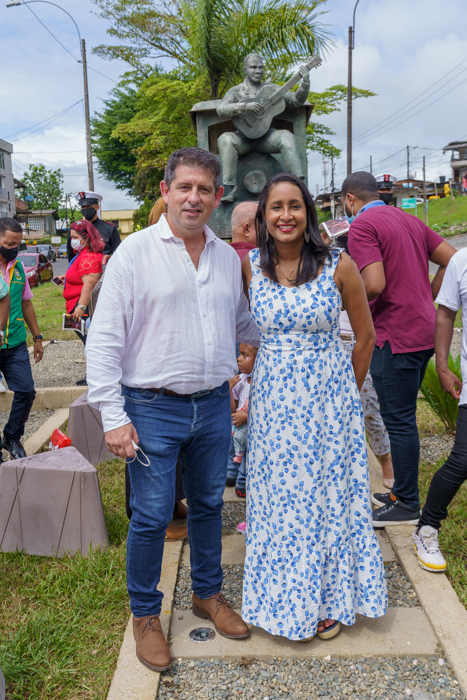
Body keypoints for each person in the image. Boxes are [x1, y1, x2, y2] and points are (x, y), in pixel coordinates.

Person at [85, 147, 260, 672]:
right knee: (152, 515)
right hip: (150, 406)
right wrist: (112, 416)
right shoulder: (135, 253)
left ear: (218, 198)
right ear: (165, 191)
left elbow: (244, 327)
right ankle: (145, 615)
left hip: (211, 406)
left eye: (204, 189)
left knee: (209, 505)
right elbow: (104, 339)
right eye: (184, 187)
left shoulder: (228, 258)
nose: (193, 198)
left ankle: (207, 593)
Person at [241, 174, 387, 642]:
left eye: (295, 206)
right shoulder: (250, 266)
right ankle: (279, 596)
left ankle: (328, 600)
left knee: (327, 500)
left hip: (329, 408)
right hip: (274, 407)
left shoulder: (338, 265)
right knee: (280, 501)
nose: (286, 216)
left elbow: (365, 338)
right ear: (263, 216)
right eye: (276, 207)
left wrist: (345, 395)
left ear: (309, 212)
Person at [342, 172, 457, 526]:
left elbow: (373, 284)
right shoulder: (408, 219)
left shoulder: (361, 226)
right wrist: (431, 293)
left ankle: (407, 503)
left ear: (349, 199)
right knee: (403, 416)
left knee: (400, 421)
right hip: (423, 330)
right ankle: (401, 491)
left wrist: (343, 302)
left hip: (394, 334)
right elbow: (452, 258)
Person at [127, 194, 188, 542]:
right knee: (148, 459)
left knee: (173, 459)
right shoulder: (139, 258)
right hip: (147, 385)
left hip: (175, 380)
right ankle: (158, 519)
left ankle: (174, 507)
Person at [320, 227, 394, 489]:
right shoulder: (320, 268)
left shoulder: (353, 272)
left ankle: (386, 460)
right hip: (326, 348)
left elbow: (366, 332)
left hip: (352, 345)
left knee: (369, 408)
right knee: (326, 415)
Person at [413, 248, 467, 572]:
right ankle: (427, 528)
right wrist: (443, 365)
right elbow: (445, 313)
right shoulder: (461, 260)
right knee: (462, 460)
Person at [216, 53, 310, 202]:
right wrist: (244, 106)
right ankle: (230, 190)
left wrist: (305, 84)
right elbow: (221, 109)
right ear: (245, 69)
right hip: (243, 139)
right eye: (253, 67)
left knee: (286, 136)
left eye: (260, 67)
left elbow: (296, 100)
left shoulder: (271, 89)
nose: (258, 71)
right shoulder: (235, 91)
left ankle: (299, 186)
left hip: (265, 138)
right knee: (225, 139)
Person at [0, 218, 43, 461]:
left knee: (26, 391)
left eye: (17, 243)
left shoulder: (17, 268)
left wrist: (37, 337)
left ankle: (12, 436)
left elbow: (26, 303)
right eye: (9, 243)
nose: (14, 248)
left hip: (14, 342)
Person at [226, 201, 258, 488]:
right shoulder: (257, 260)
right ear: (247, 229)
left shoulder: (219, 257)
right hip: (252, 344)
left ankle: (230, 468)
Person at [231, 343, 257, 502]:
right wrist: (229, 390)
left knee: (248, 457)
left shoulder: (262, 381)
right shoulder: (240, 381)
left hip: (252, 428)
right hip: (238, 428)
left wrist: (247, 418)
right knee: (235, 450)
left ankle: (242, 482)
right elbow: (233, 409)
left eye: (244, 355)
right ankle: (231, 473)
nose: (238, 359)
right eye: (239, 354)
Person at [67, 191, 121, 263]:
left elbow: (117, 254)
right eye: (83, 207)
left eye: (89, 206)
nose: (85, 209)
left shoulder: (109, 228)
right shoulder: (75, 228)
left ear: (97, 207)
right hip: (81, 269)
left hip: (104, 270)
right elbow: (71, 255)